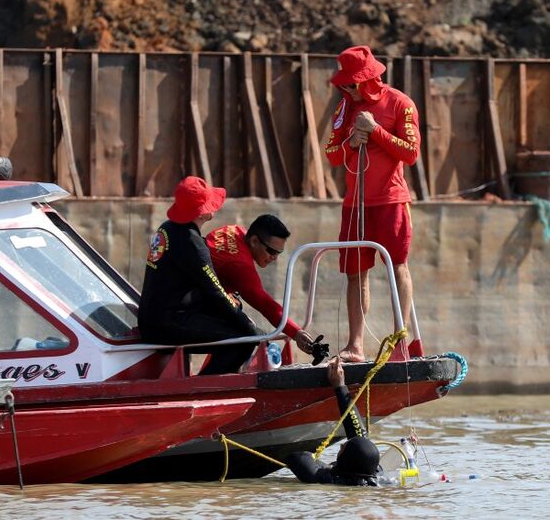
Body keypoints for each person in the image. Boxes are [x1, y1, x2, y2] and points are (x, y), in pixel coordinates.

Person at [323, 46, 421, 363]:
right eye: (343, 85)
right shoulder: (344, 109)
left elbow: (411, 153)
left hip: (391, 200)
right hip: (355, 204)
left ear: (367, 81)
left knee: (397, 267)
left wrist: (375, 131)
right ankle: (355, 345)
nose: (346, 90)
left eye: (350, 85)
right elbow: (332, 156)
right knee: (355, 274)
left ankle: (400, 340)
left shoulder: (401, 104)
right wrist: (351, 142)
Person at [138, 176, 261, 375]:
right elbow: (214, 290)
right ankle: (200, 390)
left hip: (153, 319)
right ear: (203, 212)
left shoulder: (168, 228)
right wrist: (247, 325)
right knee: (245, 339)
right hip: (167, 324)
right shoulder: (190, 241)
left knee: (238, 328)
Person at [206, 214, 318, 356]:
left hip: (191, 287)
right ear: (254, 241)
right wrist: (296, 332)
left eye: (279, 252)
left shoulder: (233, 230)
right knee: (251, 337)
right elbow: (266, 306)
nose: (275, 257)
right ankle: (212, 377)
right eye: (271, 251)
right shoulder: (241, 266)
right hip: (189, 301)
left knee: (239, 315)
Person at [284, 357, 380, 486]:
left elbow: (297, 457)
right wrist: (340, 387)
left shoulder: (325, 479)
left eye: (344, 448)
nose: (340, 446)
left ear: (347, 461)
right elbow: (359, 438)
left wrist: (331, 469)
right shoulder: (374, 473)